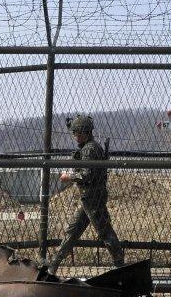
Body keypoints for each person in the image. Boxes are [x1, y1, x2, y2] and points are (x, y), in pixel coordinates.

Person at [46, 114, 125, 274]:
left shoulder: (90, 149)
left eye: (77, 133)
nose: (75, 136)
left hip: (92, 198)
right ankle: (53, 265)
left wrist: (69, 177)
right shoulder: (90, 147)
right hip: (89, 198)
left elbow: (87, 174)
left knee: (104, 231)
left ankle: (121, 266)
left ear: (85, 132)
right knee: (73, 231)